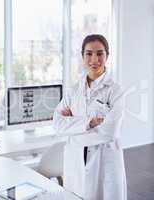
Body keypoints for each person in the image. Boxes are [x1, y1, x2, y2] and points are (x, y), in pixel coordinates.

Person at [53, 34, 127, 200]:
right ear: (82, 56)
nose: (94, 59)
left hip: (105, 159)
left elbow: (110, 131)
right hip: (76, 158)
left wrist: (73, 126)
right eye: (89, 53)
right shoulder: (73, 91)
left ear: (107, 56)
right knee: (76, 195)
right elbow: (57, 124)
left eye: (100, 53)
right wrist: (89, 123)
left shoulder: (115, 91)